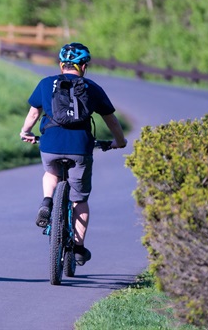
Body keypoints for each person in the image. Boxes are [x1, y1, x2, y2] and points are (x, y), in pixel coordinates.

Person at [20, 42, 127, 265]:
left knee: (51, 173)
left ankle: (47, 201)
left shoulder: (46, 83)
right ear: (83, 67)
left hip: (50, 144)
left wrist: (25, 131)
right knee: (80, 199)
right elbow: (111, 120)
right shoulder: (92, 88)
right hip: (80, 147)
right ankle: (78, 248)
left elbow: (33, 113)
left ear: (61, 65)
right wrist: (120, 141)